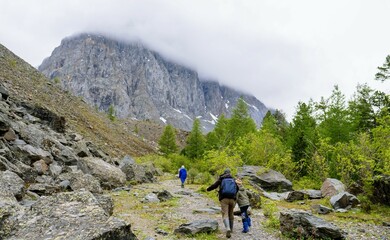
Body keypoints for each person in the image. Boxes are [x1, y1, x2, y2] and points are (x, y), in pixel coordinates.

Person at [206, 168, 238, 238]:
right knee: (231, 213)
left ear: (224, 172)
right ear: (230, 173)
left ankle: (228, 228)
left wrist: (208, 189)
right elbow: (237, 189)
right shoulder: (233, 179)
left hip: (224, 199)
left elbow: (214, 185)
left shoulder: (222, 178)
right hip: (232, 199)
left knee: (225, 214)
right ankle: (231, 229)